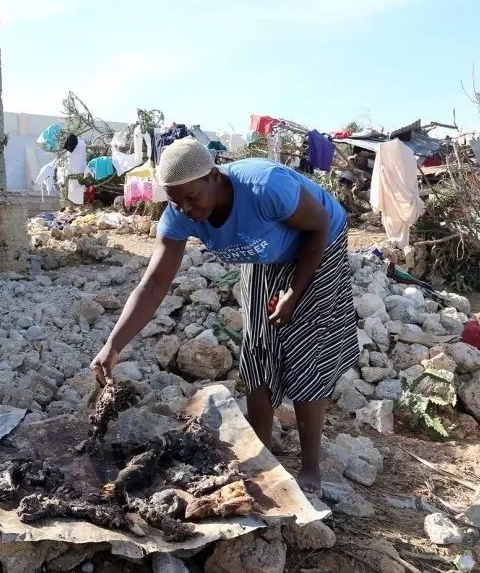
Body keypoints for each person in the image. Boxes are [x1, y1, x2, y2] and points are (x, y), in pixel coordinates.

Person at [89, 138, 359, 494]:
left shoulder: (265, 187)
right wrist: (113, 346)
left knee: (306, 350)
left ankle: (310, 468)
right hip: (263, 251)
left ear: (214, 177)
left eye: (191, 198)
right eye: (175, 201)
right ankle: (261, 456)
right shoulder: (179, 214)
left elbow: (319, 223)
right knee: (257, 346)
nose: (186, 209)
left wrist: (293, 293)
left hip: (318, 242)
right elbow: (153, 284)